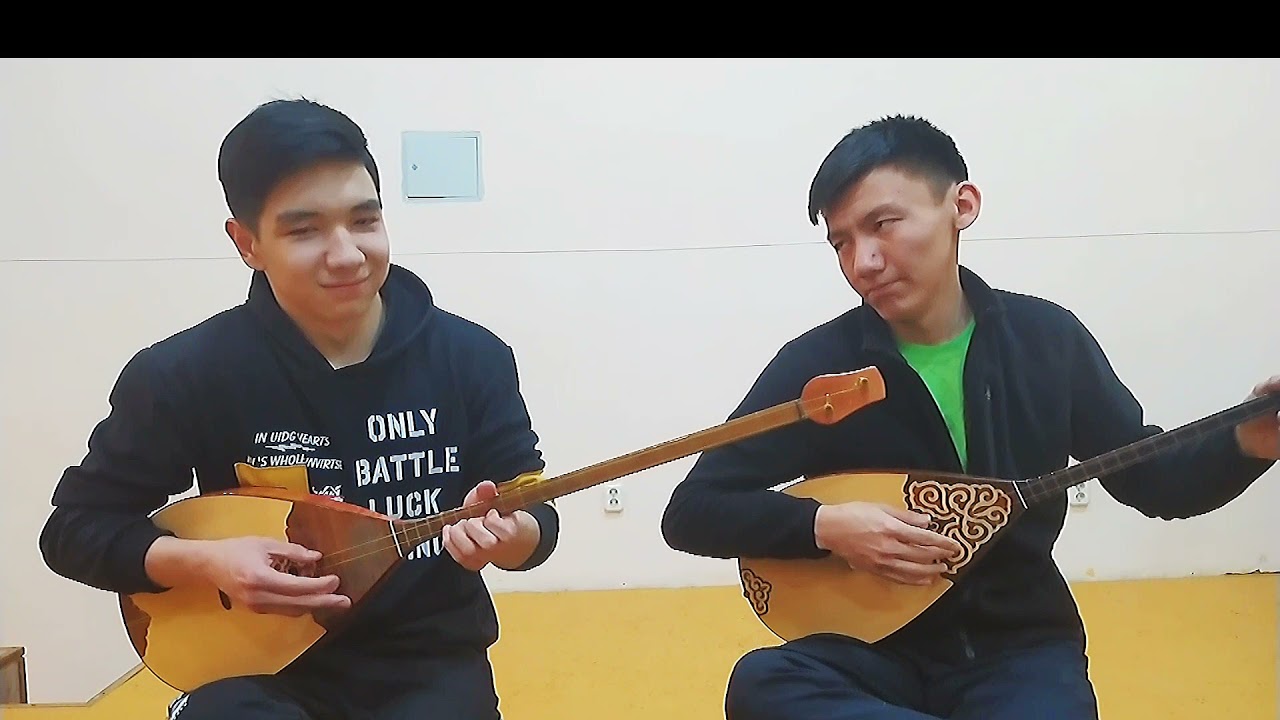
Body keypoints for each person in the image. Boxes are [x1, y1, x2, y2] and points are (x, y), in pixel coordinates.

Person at [659, 114, 1279, 719]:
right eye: (841, 242)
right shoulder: (819, 368)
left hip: (1019, 650)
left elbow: (1154, 480)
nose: (862, 262)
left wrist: (1248, 443)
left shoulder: (1046, 340)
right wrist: (827, 526)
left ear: (961, 206)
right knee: (763, 684)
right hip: (867, 649)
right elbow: (692, 511)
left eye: (883, 224)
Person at [38, 98, 560, 720]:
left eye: (364, 220)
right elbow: (73, 531)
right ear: (246, 243)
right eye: (304, 230)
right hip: (256, 670)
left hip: (428, 664)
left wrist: (511, 538)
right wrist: (206, 561)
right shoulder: (185, 373)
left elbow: (535, 513)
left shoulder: (472, 357)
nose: (347, 254)